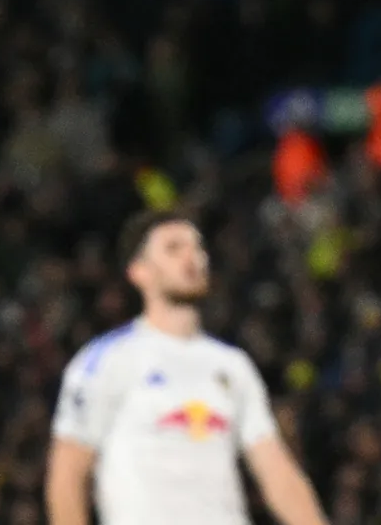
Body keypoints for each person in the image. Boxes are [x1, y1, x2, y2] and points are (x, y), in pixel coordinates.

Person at [45, 210, 329, 525]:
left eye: (197, 247)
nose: (192, 257)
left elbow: (278, 475)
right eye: (173, 248)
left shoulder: (233, 366)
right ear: (139, 272)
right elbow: (67, 475)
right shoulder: (105, 360)